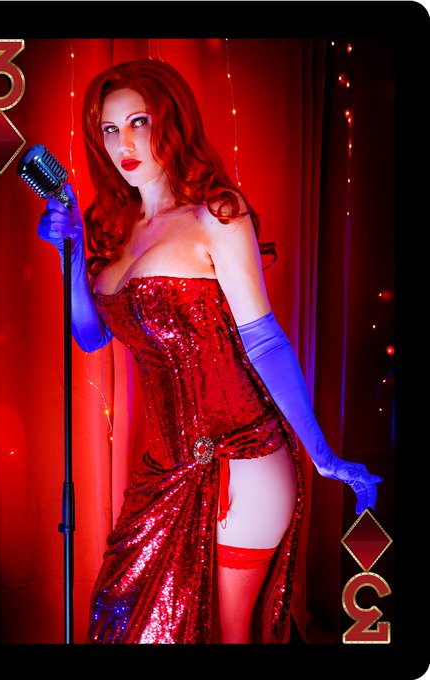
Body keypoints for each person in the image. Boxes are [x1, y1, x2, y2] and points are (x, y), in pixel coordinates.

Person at [37, 58, 383, 644]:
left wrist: (322, 454)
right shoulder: (115, 230)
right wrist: (69, 252)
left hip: (243, 459)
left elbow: (264, 339)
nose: (124, 143)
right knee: (121, 615)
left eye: (139, 122)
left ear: (170, 123)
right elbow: (92, 336)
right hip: (163, 469)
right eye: (110, 129)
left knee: (229, 633)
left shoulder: (216, 214)